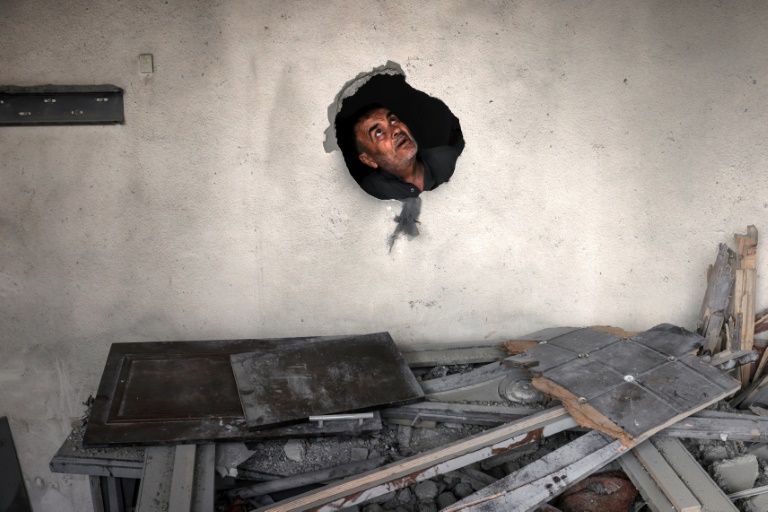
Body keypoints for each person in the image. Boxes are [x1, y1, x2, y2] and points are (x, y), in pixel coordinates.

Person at [352, 105, 463, 200]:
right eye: (379, 132)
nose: (396, 130)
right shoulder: (369, 196)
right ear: (369, 160)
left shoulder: (449, 159)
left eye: (393, 120)